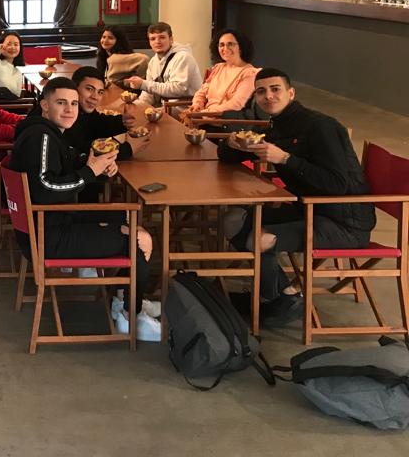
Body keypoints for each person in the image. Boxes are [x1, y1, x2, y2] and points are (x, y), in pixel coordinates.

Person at [218, 68, 374, 326]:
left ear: (291, 93)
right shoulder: (276, 126)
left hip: (344, 220)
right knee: (233, 219)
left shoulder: (321, 126)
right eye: (261, 91)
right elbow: (228, 157)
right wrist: (231, 144)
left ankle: (278, 300)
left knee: (261, 238)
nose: (268, 96)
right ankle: (280, 295)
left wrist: (286, 159)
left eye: (275, 89)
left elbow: (336, 184)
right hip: (307, 209)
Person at [8, 78, 160, 340]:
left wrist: (95, 166)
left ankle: (124, 299)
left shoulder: (47, 133)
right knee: (140, 240)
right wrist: (90, 171)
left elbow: (64, 165)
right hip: (50, 235)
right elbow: (44, 188)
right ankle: (130, 316)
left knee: (126, 216)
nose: (69, 109)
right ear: (45, 105)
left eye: (74, 104)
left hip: (50, 222)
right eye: (61, 103)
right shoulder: (41, 137)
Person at [123, 22, 203, 107]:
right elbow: (149, 93)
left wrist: (143, 84)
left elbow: (178, 89)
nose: (157, 42)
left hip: (185, 108)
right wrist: (138, 105)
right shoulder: (153, 61)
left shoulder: (183, 57)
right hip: (165, 107)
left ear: (171, 39)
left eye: (162, 37)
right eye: (153, 39)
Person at [186, 28, 258, 114]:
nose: (225, 48)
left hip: (222, 119)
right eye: (221, 45)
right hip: (202, 116)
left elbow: (236, 104)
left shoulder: (250, 73)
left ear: (241, 47)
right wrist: (197, 105)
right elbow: (201, 93)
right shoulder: (218, 68)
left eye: (230, 44)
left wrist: (204, 112)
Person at [0, 31, 26, 101]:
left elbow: (17, 98)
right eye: (9, 44)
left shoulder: (18, 72)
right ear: (1, 45)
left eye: (16, 44)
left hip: (11, 105)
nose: (12, 47)